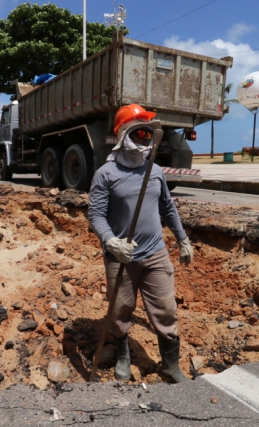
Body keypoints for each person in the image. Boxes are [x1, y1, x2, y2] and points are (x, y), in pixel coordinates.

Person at [89, 104, 193, 383]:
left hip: (156, 254)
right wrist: (111, 242)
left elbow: (168, 208)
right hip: (121, 258)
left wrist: (182, 239)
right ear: (124, 135)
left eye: (148, 135)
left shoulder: (155, 170)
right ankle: (123, 354)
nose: (144, 140)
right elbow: (96, 214)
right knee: (121, 309)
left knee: (166, 309)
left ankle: (171, 365)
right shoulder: (105, 174)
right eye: (139, 134)